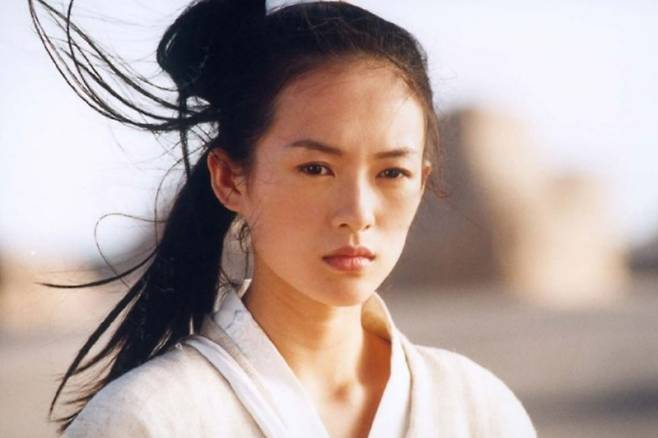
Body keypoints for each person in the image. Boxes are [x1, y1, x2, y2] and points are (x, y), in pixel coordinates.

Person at [30, 0, 536, 436]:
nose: (357, 214)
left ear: (421, 183)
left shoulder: (478, 410)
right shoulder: (146, 420)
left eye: (391, 173)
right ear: (230, 179)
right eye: (315, 168)